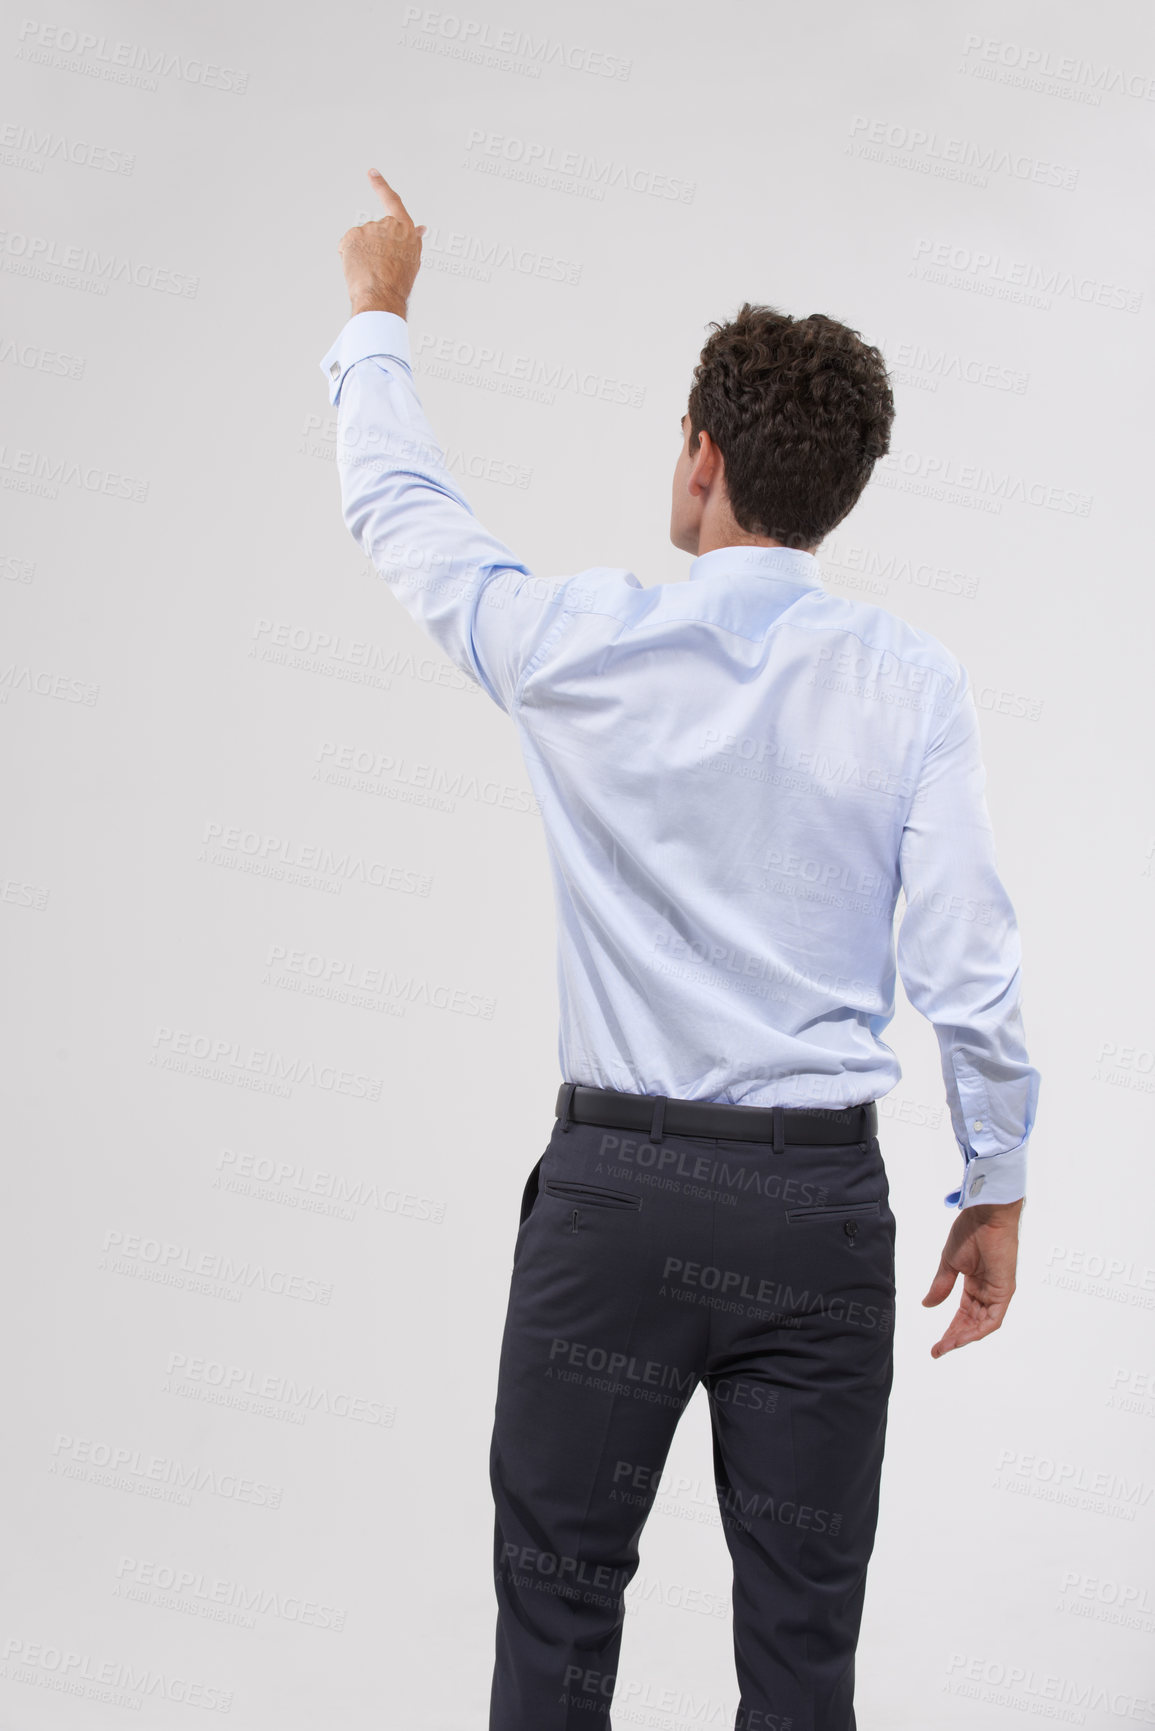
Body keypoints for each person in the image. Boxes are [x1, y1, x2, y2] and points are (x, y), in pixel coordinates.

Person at [319, 170, 1041, 1731]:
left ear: (702, 459)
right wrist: (997, 1179)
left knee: (557, 1618)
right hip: (819, 1218)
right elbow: (970, 967)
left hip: (617, 1209)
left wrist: (376, 316)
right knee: (801, 1652)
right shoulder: (914, 686)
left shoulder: (586, 646)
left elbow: (408, 519)